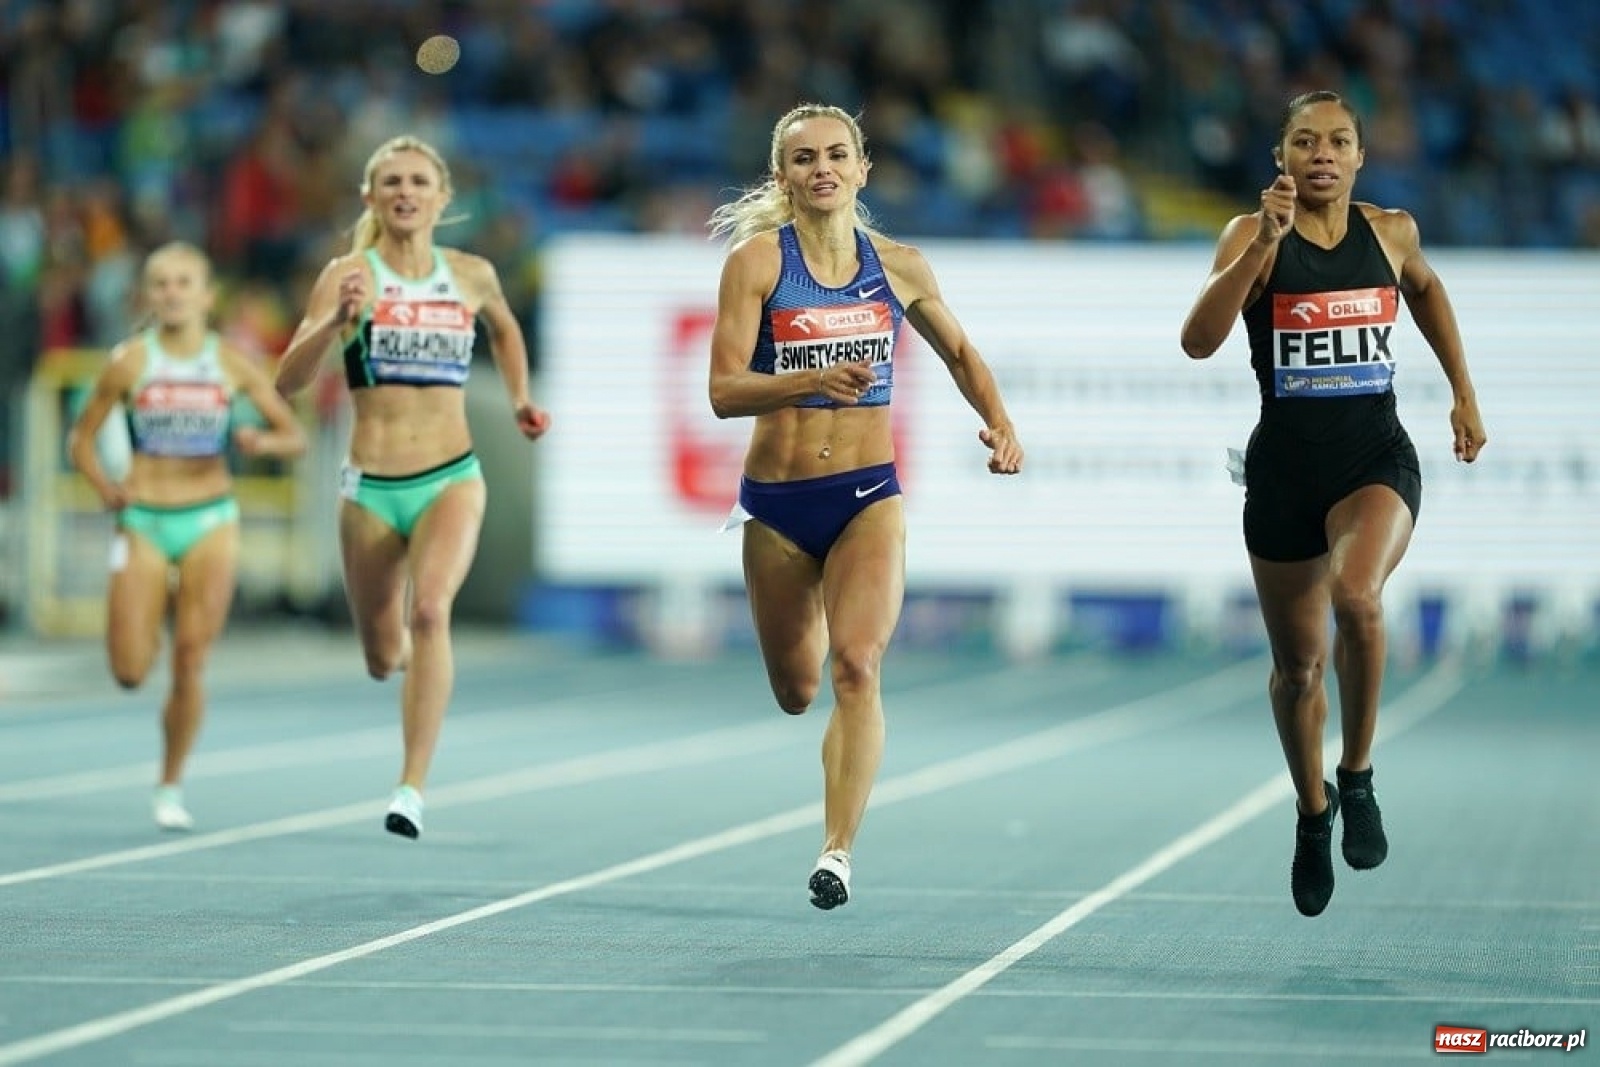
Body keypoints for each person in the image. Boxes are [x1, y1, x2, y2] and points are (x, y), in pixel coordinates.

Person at [706, 103, 1023, 909]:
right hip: (778, 507)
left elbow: (961, 352)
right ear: (783, 176)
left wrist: (999, 422)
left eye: (837, 155)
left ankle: (837, 851)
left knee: (858, 664)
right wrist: (810, 379)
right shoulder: (757, 265)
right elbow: (722, 391)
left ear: (862, 169)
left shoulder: (899, 264)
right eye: (804, 158)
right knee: (796, 688)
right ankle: (807, 644)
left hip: (866, 496)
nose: (822, 169)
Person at [1179, 91, 1487, 917]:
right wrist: (1263, 249)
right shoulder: (1251, 235)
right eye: (1305, 142)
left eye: (1338, 141)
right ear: (1282, 159)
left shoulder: (1391, 231)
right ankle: (1313, 814)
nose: (1322, 153)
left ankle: (1356, 774)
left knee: (1358, 596)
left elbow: (1425, 290)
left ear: (1358, 157)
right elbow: (1199, 339)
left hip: (1374, 460)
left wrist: (1463, 391)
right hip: (1282, 471)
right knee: (1297, 669)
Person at [274, 135, 550, 840]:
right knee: (379, 655)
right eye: (391, 180)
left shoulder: (470, 273)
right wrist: (337, 323)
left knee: (430, 612)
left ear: (441, 197)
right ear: (370, 197)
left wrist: (520, 398)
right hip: (369, 489)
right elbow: (287, 380)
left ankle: (411, 785)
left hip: (450, 477)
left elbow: (508, 332)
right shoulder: (347, 275)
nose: (405, 191)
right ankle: (393, 652)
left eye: (418, 181)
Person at [67, 241, 308, 831]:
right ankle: (149, 610)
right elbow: (80, 440)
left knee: (191, 657)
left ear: (206, 296)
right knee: (128, 671)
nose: (172, 293)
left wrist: (261, 443)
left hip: (209, 518)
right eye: (161, 283)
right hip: (145, 516)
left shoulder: (230, 362)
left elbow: (292, 435)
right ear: (148, 296)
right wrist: (104, 486)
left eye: (183, 283)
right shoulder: (129, 361)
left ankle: (170, 785)